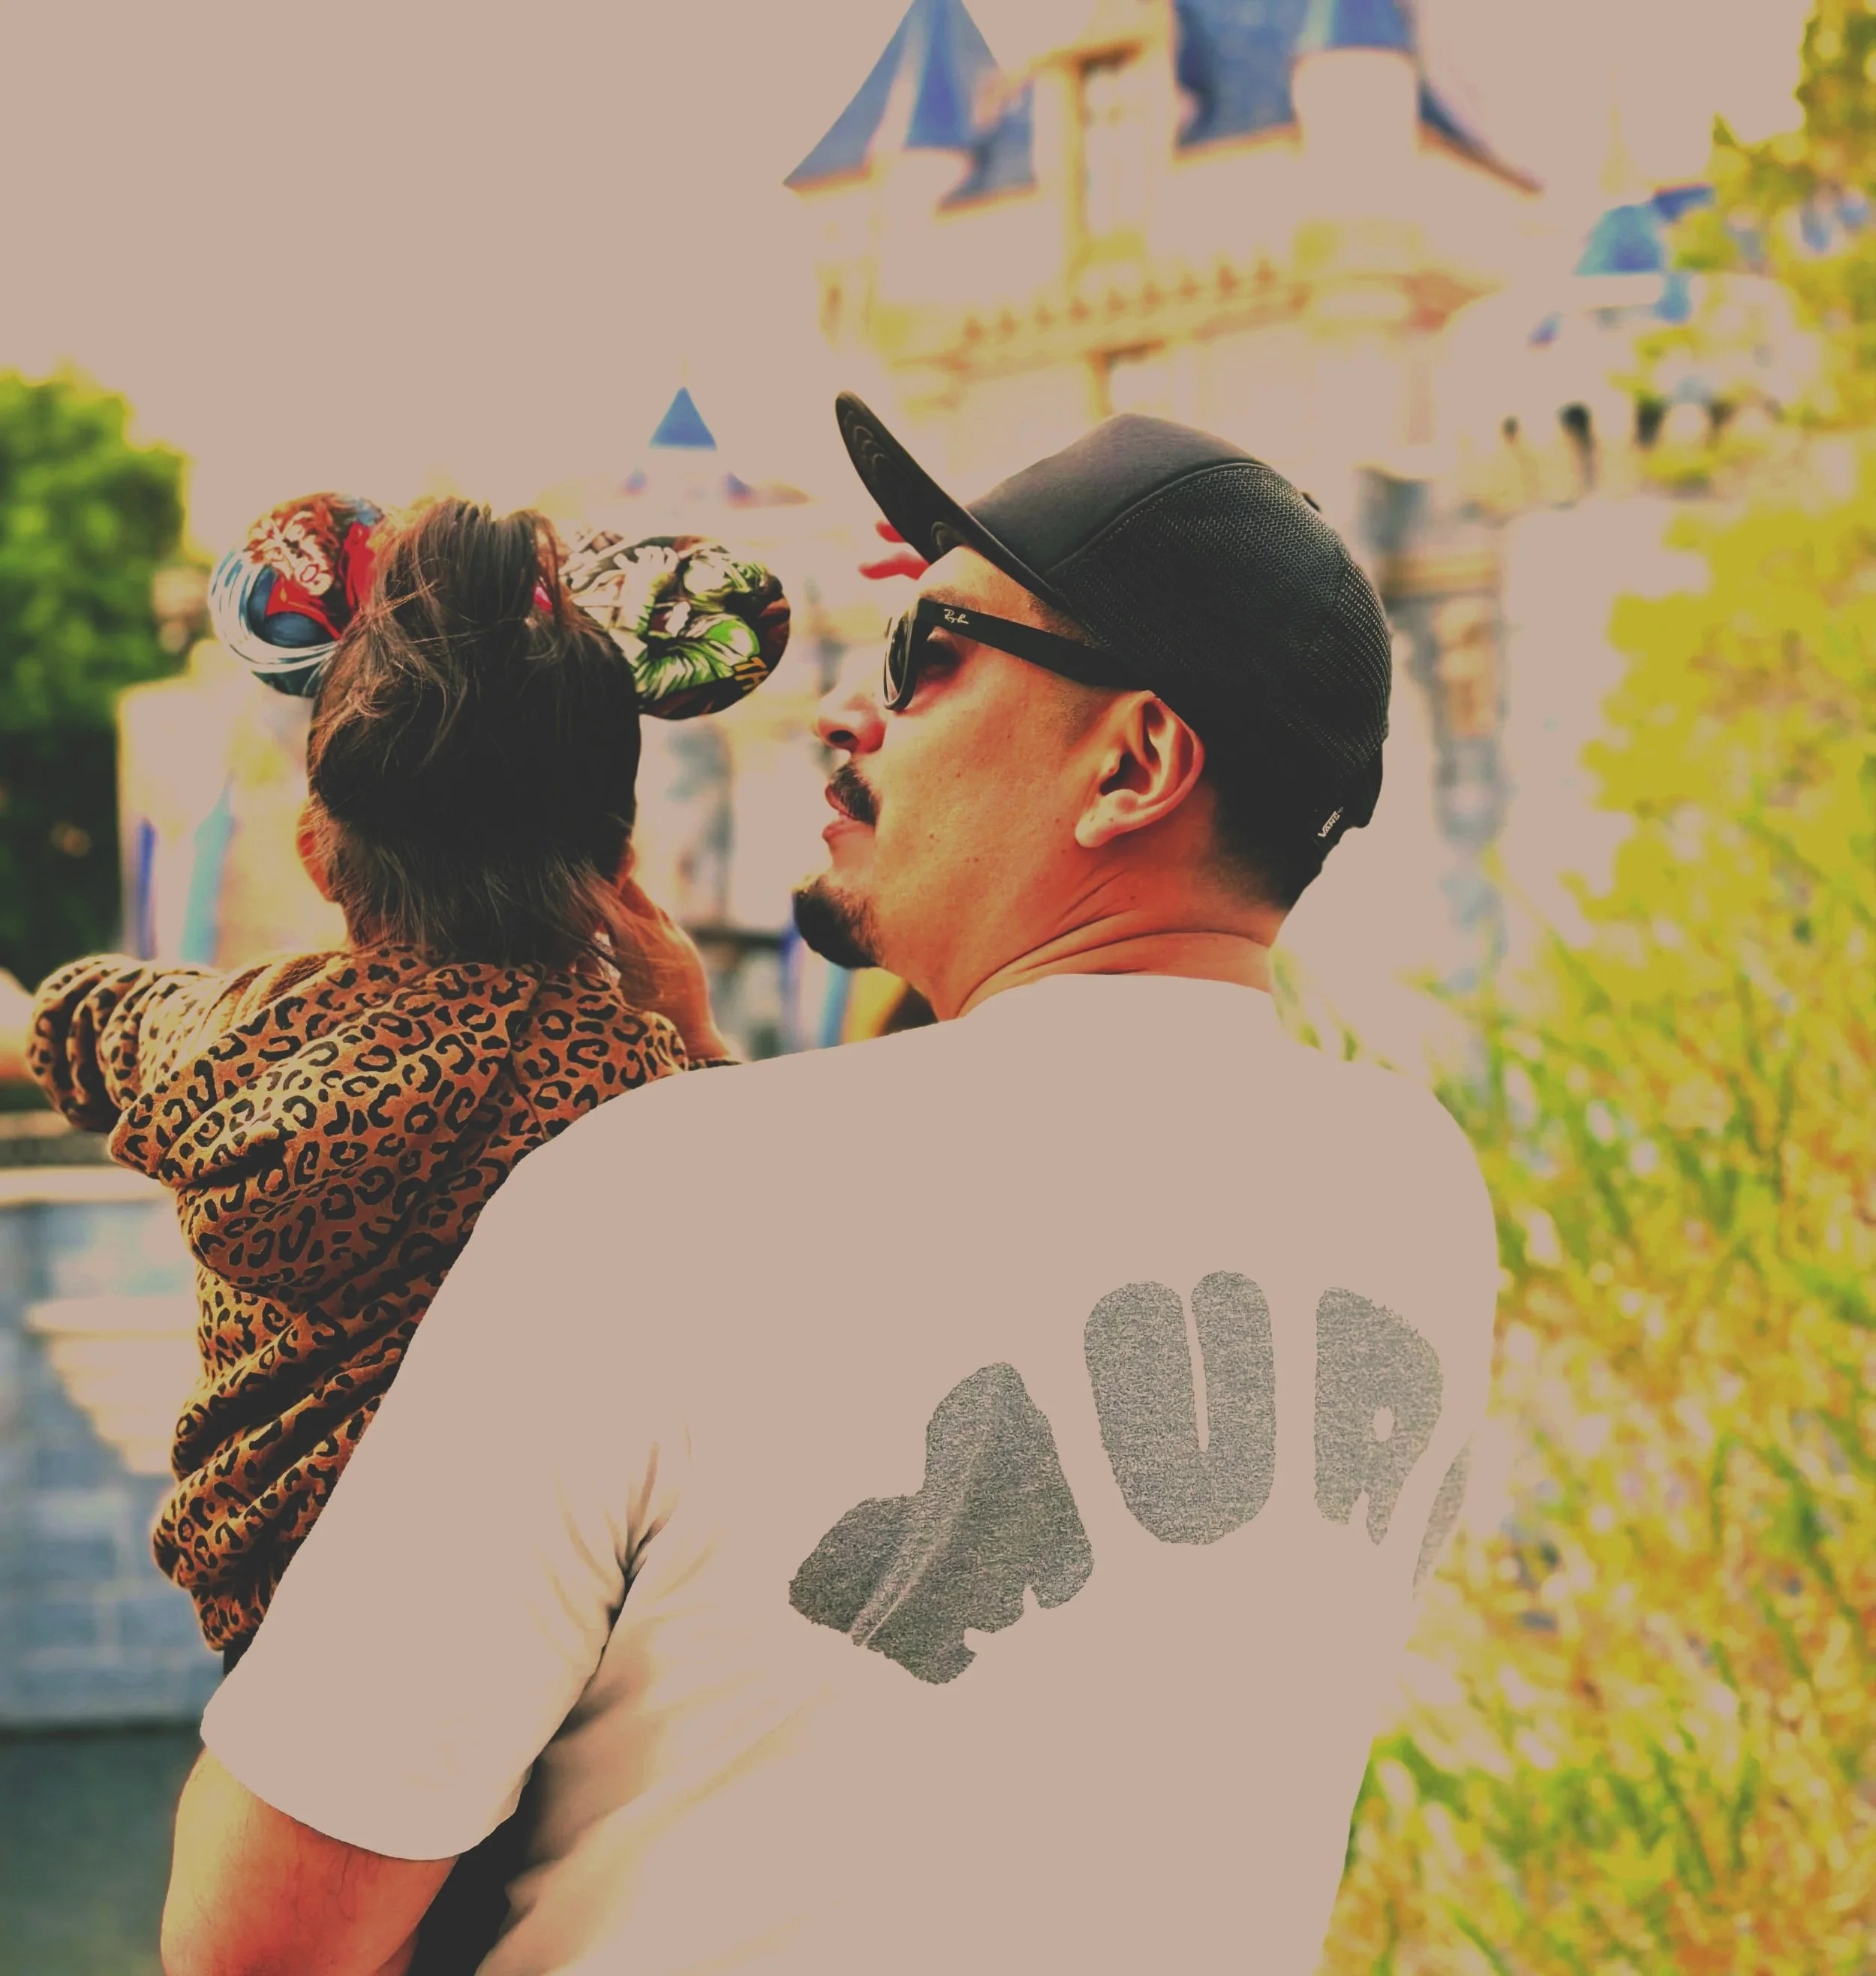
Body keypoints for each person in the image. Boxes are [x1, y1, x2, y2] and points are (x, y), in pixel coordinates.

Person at [160, 399, 1499, 1976]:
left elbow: (259, 1936)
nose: (850, 717)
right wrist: (702, 1064)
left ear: (1134, 762)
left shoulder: (652, 1211)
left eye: (929, 657)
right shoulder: (1414, 1191)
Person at [28, 491, 786, 1968]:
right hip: (565, 1700)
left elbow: (63, 1021)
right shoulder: (639, 1091)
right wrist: (692, 1025)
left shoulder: (221, 1042)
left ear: (320, 854)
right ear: (616, 855)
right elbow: (774, 1255)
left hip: (288, 1679)